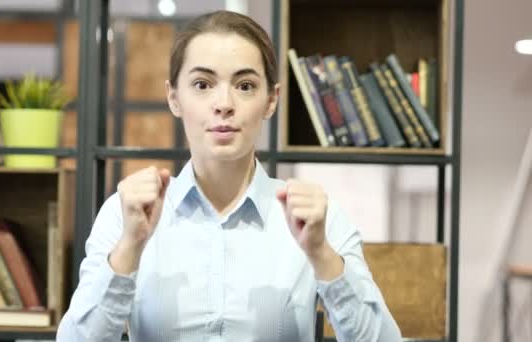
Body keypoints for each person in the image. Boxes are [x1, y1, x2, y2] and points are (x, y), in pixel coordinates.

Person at [57, 10, 401, 342]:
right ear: (174, 98)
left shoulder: (316, 221)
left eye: (246, 85)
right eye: (203, 84)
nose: (224, 103)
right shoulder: (125, 214)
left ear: (271, 100)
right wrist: (130, 248)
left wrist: (321, 255)